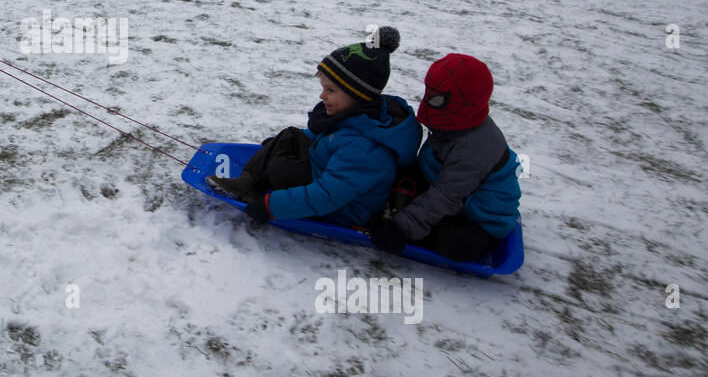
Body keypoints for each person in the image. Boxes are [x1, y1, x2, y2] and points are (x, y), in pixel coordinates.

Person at [209, 27, 420, 227]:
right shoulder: (358, 115)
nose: (322, 96)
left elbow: (326, 195)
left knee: (281, 164)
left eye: (330, 90)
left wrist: (270, 207)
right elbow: (328, 137)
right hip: (325, 170)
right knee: (290, 136)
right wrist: (280, 144)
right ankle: (248, 182)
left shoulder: (366, 150)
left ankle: (258, 191)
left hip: (341, 209)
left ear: (358, 95)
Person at [368, 54, 521, 262]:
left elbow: (447, 195)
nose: (428, 101)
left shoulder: (474, 147)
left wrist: (401, 228)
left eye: (436, 98)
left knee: (452, 245)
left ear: (462, 103)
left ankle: (433, 229)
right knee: (397, 176)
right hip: (449, 192)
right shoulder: (453, 126)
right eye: (428, 94)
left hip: (483, 218)